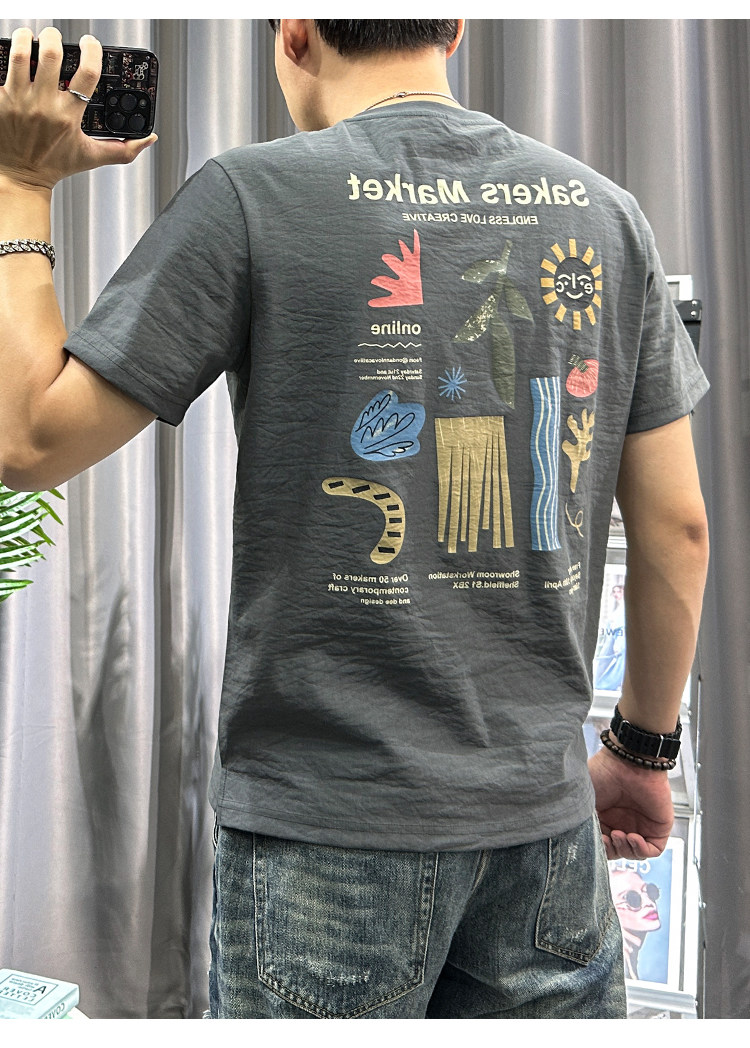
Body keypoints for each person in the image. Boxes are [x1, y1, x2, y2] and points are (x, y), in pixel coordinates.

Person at [0, 20, 710, 1019]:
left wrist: (18, 183)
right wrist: (641, 751)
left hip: (322, 835)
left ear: (294, 31)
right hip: (543, 836)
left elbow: (29, 439)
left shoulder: (252, 195)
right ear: (454, 25)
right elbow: (679, 526)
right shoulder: (606, 212)